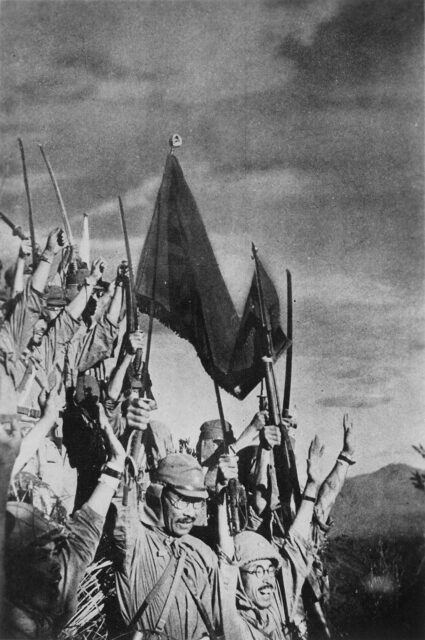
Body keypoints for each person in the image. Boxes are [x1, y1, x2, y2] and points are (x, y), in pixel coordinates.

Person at [109, 410, 238, 640]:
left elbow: (225, 623)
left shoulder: (202, 554)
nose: (190, 513)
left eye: (196, 503)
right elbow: (123, 497)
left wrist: (223, 493)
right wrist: (131, 439)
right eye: (181, 500)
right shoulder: (136, 545)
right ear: (160, 495)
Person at [3, 405, 126, 639]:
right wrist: (46, 420)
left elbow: (83, 535)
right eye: (41, 555)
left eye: (54, 551)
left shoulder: (54, 584)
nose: (56, 566)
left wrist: (116, 464)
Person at [219, 436, 327, 640]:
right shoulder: (231, 621)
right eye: (258, 570)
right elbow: (226, 561)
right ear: (238, 577)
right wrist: (220, 493)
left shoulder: (276, 602)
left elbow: (296, 544)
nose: (267, 578)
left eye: (270, 570)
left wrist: (313, 485)